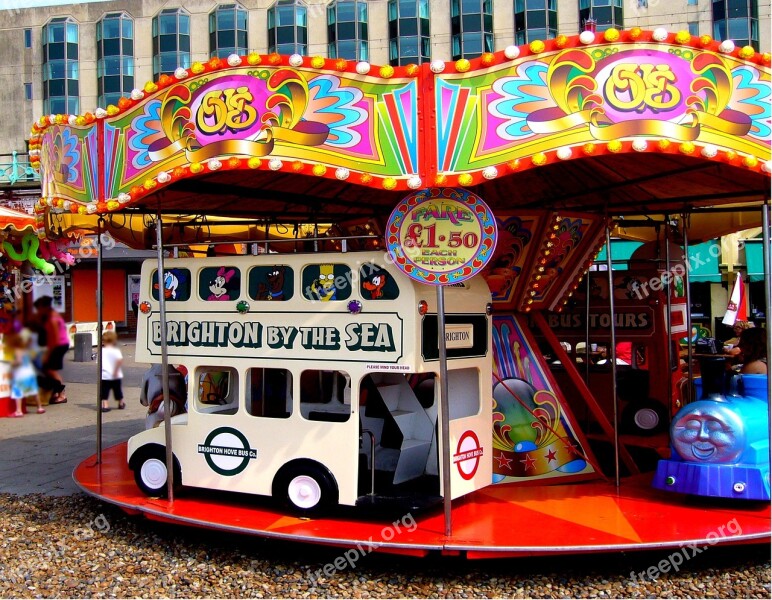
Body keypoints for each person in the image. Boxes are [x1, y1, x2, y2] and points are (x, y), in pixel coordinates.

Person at [32, 295, 70, 404]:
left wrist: (47, 355)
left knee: (50, 370)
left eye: (39, 308)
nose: (38, 311)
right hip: (60, 344)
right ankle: (55, 392)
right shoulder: (51, 315)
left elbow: (54, 339)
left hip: (58, 345)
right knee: (48, 369)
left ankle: (62, 394)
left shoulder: (52, 319)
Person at [6, 328, 44, 417]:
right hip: (30, 372)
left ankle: (19, 411)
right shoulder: (26, 350)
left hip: (20, 374)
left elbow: (18, 361)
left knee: (18, 392)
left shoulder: (17, 350)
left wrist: (11, 364)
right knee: (34, 391)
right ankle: (40, 407)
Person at [100, 330, 125, 412]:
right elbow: (119, 361)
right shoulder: (116, 351)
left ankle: (105, 404)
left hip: (105, 375)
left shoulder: (101, 351)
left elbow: (99, 362)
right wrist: (115, 370)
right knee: (117, 390)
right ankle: (121, 402)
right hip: (116, 375)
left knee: (104, 391)